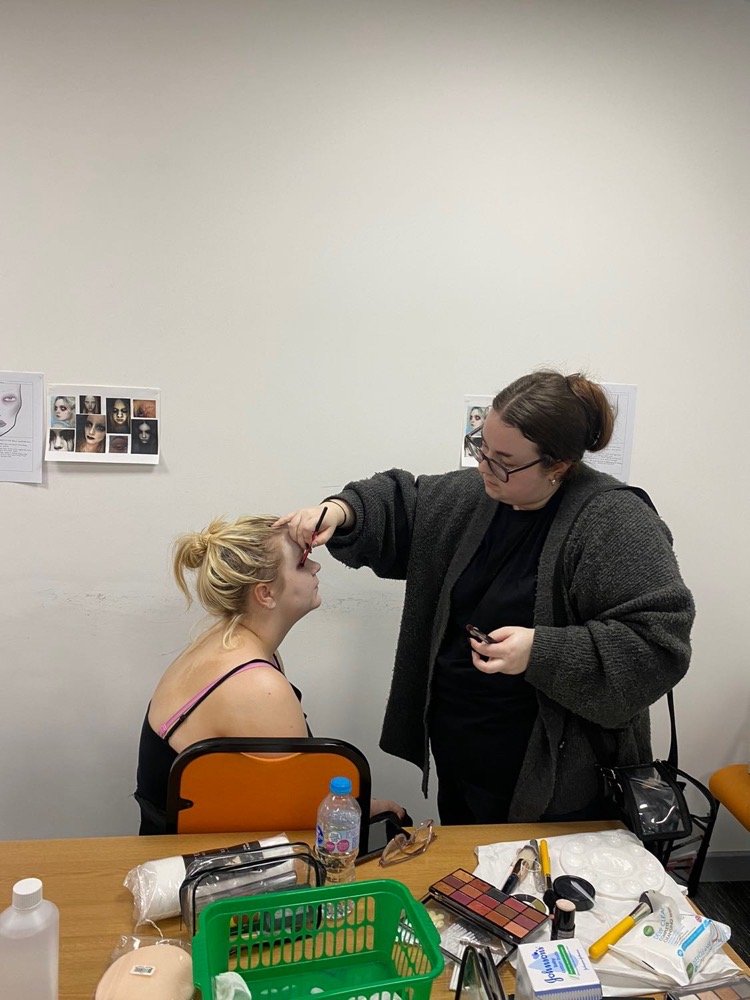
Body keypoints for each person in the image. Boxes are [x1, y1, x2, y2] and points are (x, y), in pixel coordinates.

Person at [276, 370, 695, 825]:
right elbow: (402, 503)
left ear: (558, 466)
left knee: (536, 870)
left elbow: (658, 645)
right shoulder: (473, 496)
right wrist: (342, 511)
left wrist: (539, 651)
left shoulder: (614, 521)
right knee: (471, 862)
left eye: (503, 461)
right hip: (463, 754)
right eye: (482, 448)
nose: (483, 467)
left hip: (559, 780)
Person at [135, 515, 406, 834]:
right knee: (397, 822)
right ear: (265, 594)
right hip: (194, 853)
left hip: (191, 837)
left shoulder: (224, 641)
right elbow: (301, 813)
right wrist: (369, 809)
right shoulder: (256, 684)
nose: (316, 567)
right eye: (303, 563)